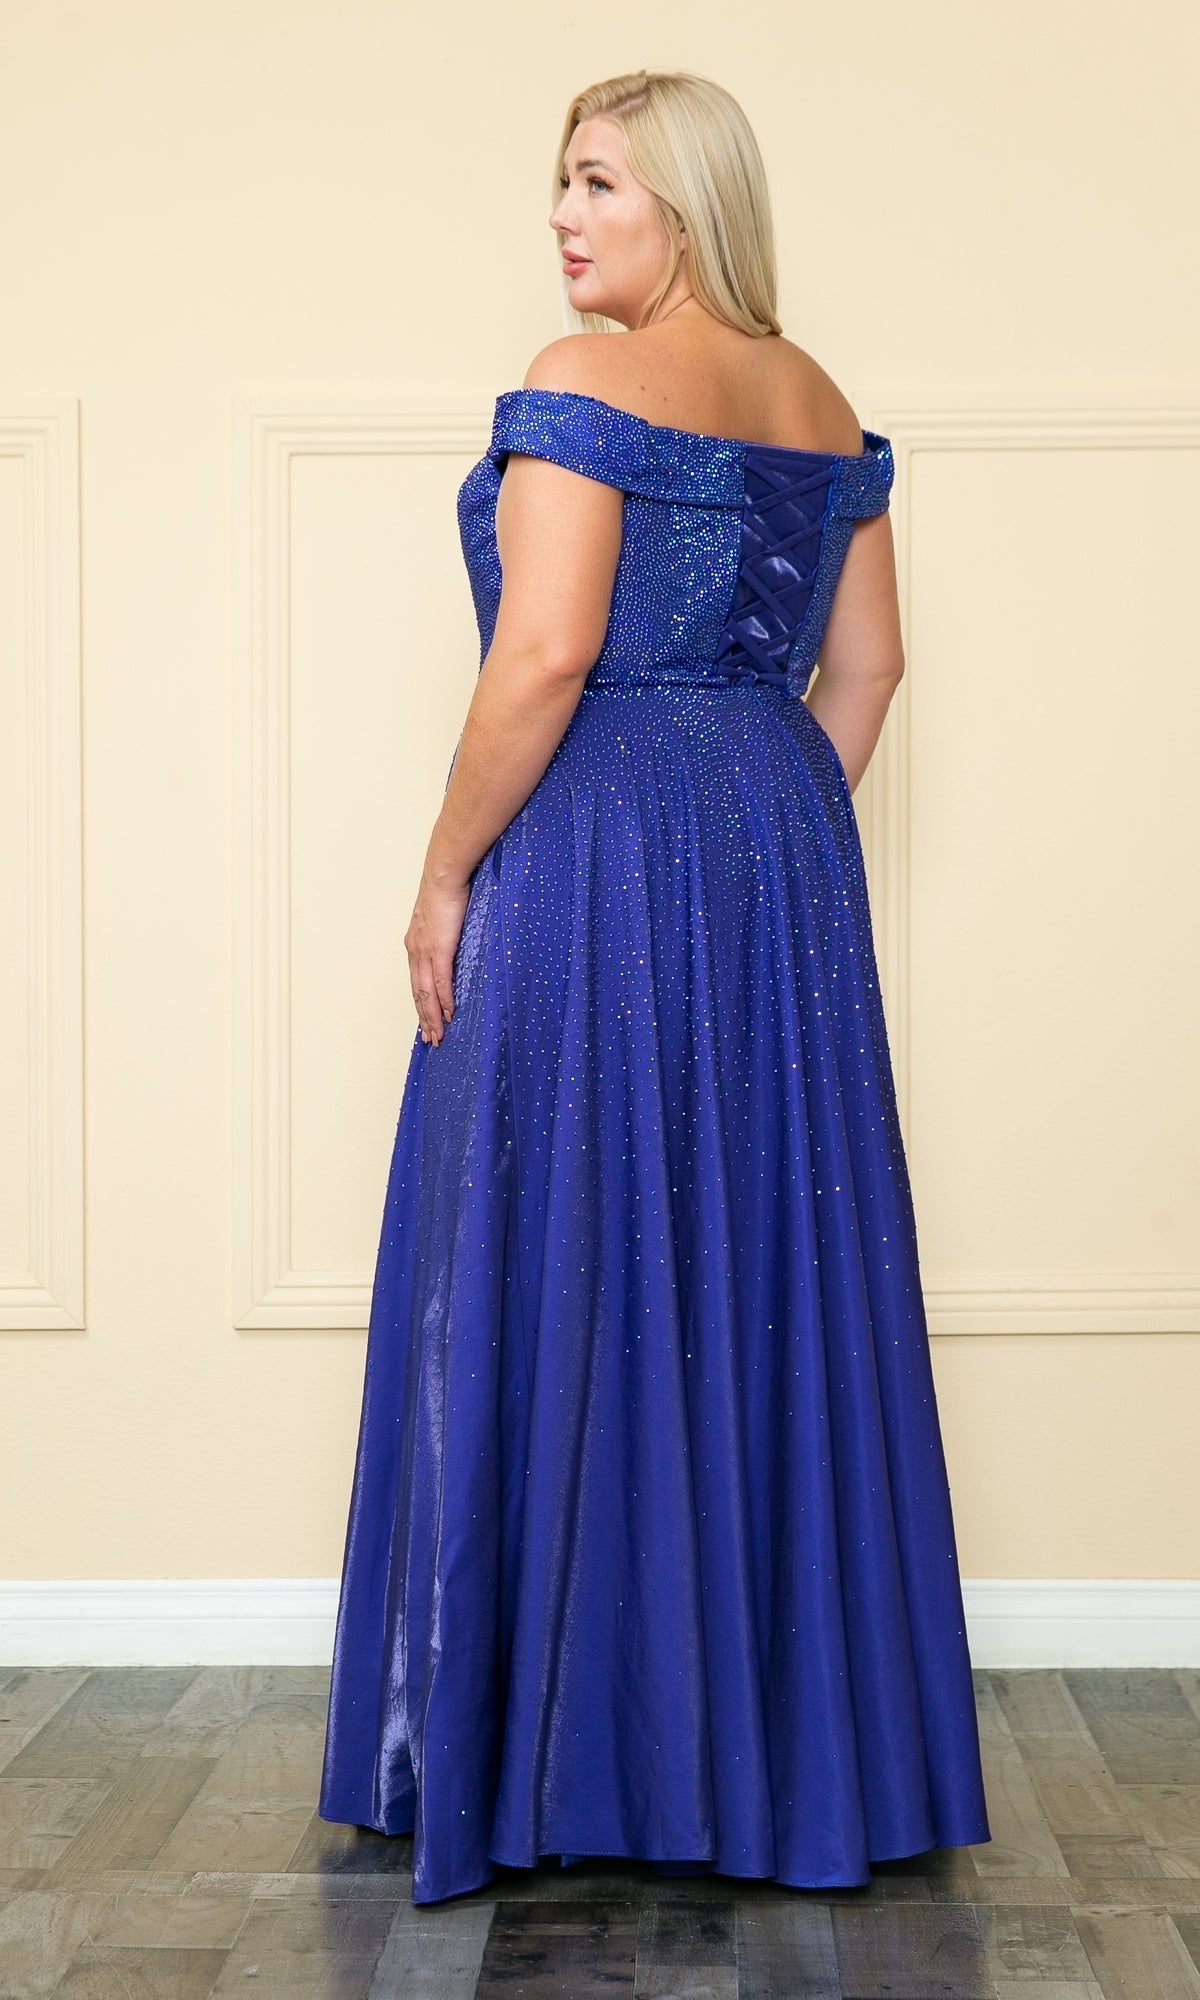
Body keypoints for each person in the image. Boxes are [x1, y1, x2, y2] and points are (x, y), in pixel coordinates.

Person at [317, 66, 991, 1907]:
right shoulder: (821, 397)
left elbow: (542, 656)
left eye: (598, 181)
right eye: (559, 183)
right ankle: (779, 1766)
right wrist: (756, 835)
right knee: (759, 1272)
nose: (563, 215)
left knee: (550, 1251)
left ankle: (556, 1755)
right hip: (777, 861)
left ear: (684, 204)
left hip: (590, 839)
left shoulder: (583, 378)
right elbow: (872, 669)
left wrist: (448, 871)